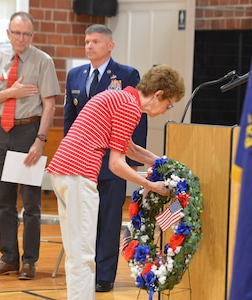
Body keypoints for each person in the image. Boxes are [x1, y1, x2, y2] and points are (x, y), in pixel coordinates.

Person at [47, 64, 185, 300]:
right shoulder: (129, 107)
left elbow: (129, 148)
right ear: (158, 94)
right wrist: (151, 186)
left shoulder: (120, 98)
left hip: (63, 171)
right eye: (168, 105)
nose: (164, 111)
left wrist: (163, 163)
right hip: (79, 174)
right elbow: (116, 164)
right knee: (84, 254)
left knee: (76, 252)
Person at [63, 24, 147, 292]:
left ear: (110, 46)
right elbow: (70, 119)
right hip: (83, 160)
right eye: (87, 41)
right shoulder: (75, 75)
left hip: (113, 160)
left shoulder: (126, 74)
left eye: (96, 41)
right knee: (85, 220)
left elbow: (138, 119)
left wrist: (133, 162)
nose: (89, 46)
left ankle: (104, 275)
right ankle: (85, 273)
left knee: (109, 219)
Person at [0, 11, 60, 280]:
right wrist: (9, 93)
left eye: (26, 33)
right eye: (16, 32)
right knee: (4, 201)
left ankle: (29, 261)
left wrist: (40, 140)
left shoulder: (42, 61)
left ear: (32, 35)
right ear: (8, 33)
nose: (21, 38)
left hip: (28, 131)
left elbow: (50, 105)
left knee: (31, 203)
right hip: (2, 130)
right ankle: (9, 257)